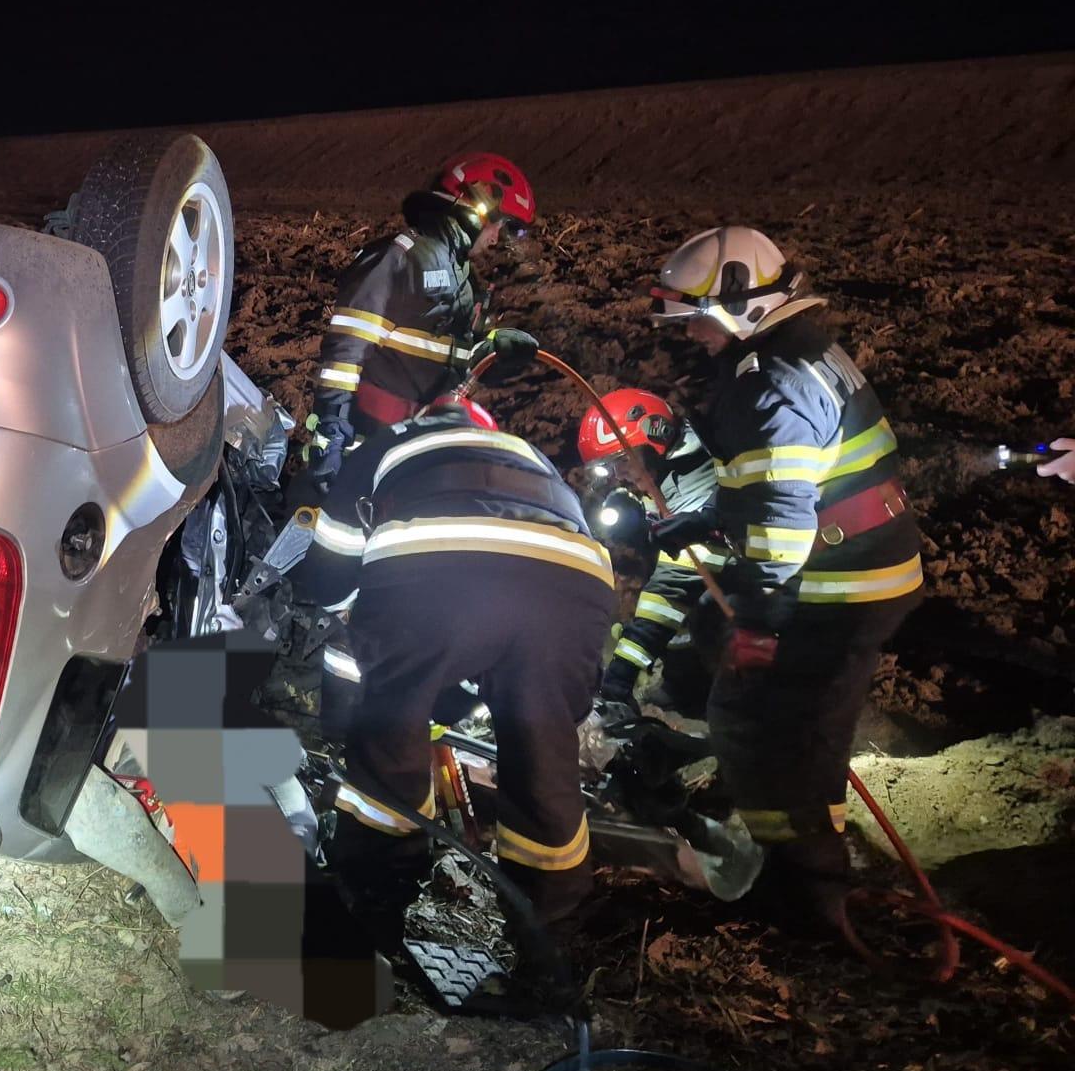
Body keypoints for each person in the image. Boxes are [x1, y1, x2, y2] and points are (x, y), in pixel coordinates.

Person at [647, 226, 922, 938]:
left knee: (755, 727)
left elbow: (781, 510)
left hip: (836, 588)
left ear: (739, 305)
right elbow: (780, 479)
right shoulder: (806, 353)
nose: (695, 337)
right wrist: (706, 519)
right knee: (794, 719)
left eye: (698, 321)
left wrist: (760, 623)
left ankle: (814, 903)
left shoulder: (763, 381)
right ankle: (809, 847)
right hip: (866, 570)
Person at [294, 394, 618, 994]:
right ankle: (551, 945)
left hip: (438, 568)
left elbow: (332, 567)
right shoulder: (527, 455)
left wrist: (363, 696)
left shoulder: (388, 443)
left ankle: (372, 918)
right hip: (579, 584)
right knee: (543, 759)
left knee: (388, 745)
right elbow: (505, 610)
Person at [298, 153, 537, 490]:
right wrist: (331, 433)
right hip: (370, 445)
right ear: (476, 207)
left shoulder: (465, 281)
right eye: (498, 225)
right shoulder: (398, 258)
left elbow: (452, 360)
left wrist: (495, 351)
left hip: (421, 448)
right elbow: (345, 351)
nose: (496, 239)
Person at [572, 386, 725, 726]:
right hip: (736, 591)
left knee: (705, 615)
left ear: (656, 436)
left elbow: (673, 585)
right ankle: (684, 687)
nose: (618, 476)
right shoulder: (672, 475)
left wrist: (621, 673)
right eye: (609, 469)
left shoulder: (699, 479)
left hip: (774, 596)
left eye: (621, 461)